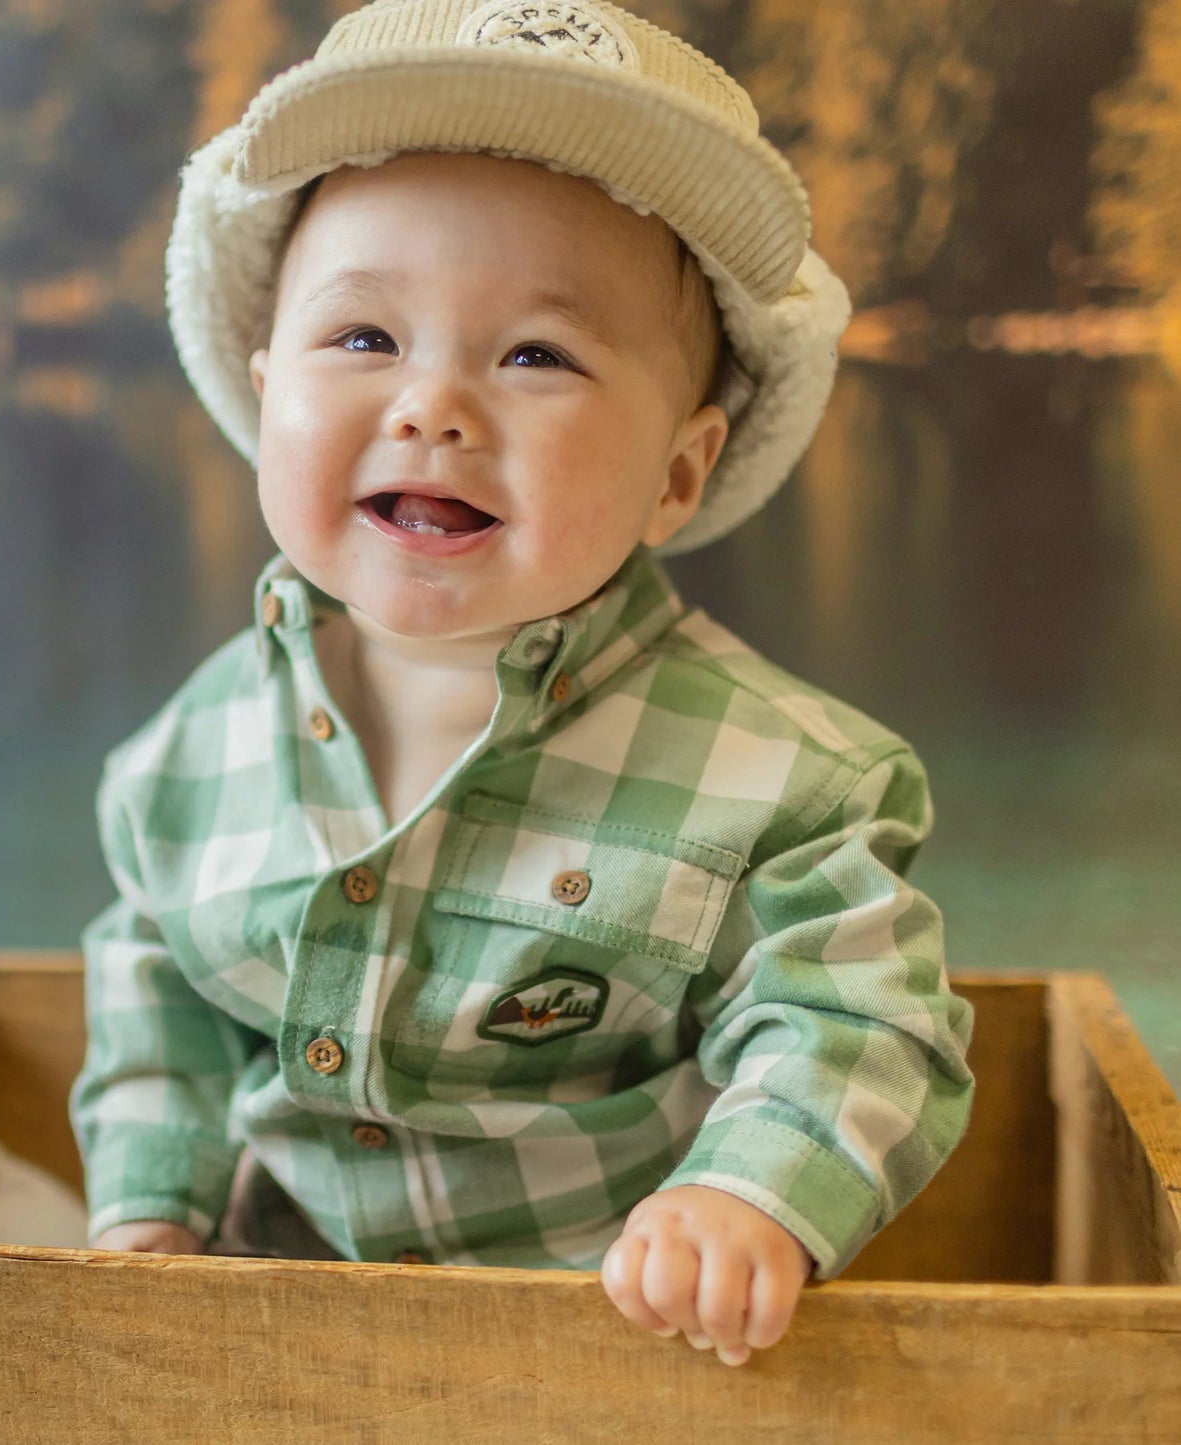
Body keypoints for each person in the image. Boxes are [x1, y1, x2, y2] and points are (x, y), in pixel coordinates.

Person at [70, 0, 974, 1369]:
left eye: (535, 354)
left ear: (678, 468)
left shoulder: (778, 781)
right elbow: (159, 998)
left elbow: (858, 1018)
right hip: (272, 1337)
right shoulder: (187, 755)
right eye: (363, 339)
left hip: (613, 1352)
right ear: (265, 398)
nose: (431, 405)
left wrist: (743, 1196)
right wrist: (151, 1210)